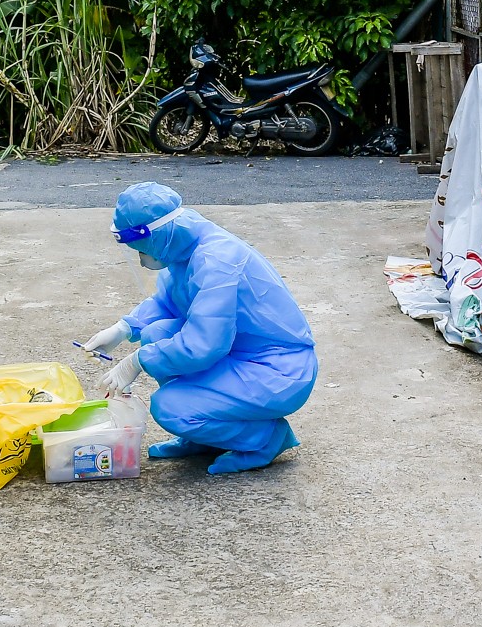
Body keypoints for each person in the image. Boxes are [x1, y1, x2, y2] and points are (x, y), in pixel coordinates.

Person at [80, 182, 317, 475]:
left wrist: (137, 361)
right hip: (242, 353)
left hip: (276, 370)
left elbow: (203, 345)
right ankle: (202, 434)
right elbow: (170, 302)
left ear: (158, 235)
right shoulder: (184, 249)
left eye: (142, 249)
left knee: (168, 407)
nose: (141, 260)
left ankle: (266, 439)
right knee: (156, 333)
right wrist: (123, 329)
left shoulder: (216, 261)